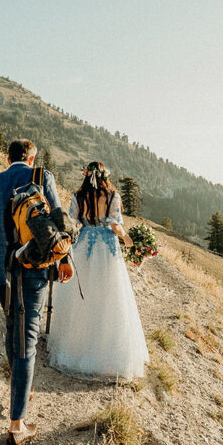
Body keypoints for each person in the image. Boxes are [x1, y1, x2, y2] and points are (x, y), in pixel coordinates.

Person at [0, 139, 72, 445]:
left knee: (14, 330)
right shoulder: (41, 177)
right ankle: (17, 425)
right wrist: (64, 260)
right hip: (30, 270)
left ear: (7, 157)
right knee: (27, 339)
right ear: (31, 157)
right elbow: (58, 224)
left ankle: (20, 390)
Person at [48, 161, 149, 381]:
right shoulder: (113, 196)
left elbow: (72, 223)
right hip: (107, 248)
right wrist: (127, 239)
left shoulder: (78, 196)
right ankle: (108, 352)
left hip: (83, 246)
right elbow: (115, 225)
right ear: (105, 176)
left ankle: (75, 347)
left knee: (81, 296)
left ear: (86, 175)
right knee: (108, 296)